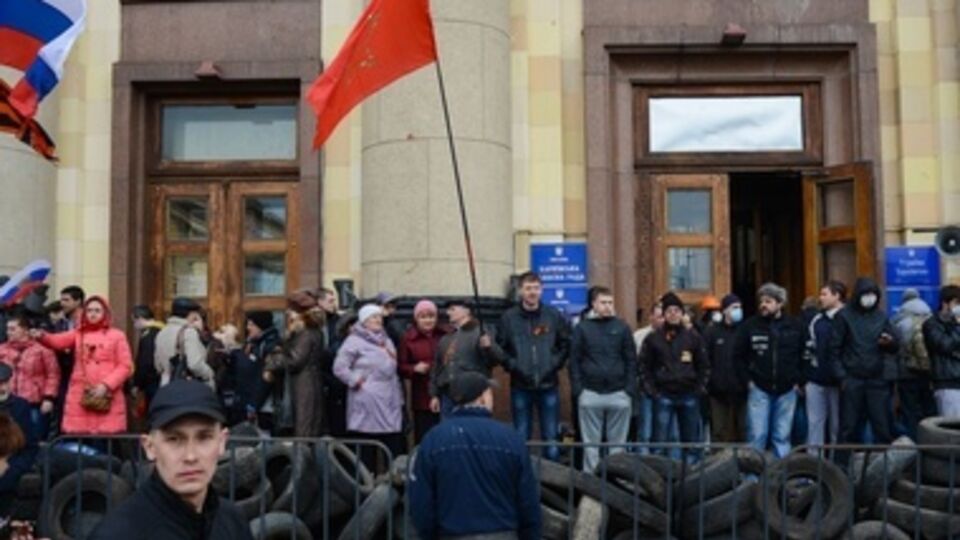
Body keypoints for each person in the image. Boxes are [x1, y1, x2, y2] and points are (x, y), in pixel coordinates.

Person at [89, 379, 253, 540]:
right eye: (174, 439)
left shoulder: (233, 521)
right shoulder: (116, 534)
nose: (190, 456)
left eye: (204, 438)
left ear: (222, 442)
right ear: (150, 447)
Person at [409, 371, 541, 540]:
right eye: (490, 393)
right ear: (482, 398)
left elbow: (421, 504)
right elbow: (528, 501)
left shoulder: (433, 440)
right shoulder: (511, 439)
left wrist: (429, 534)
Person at [497, 272, 571, 461]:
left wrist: (554, 364)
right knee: (521, 436)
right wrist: (513, 365)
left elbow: (566, 343)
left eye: (536, 288)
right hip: (520, 385)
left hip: (549, 385)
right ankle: (521, 479)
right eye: (528, 288)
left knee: (551, 437)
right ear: (521, 291)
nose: (532, 292)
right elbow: (500, 347)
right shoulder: (508, 318)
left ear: (542, 290)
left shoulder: (553, 315)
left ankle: (554, 485)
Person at [36, 296, 133, 436]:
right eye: (89, 310)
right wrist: (42, 336)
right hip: (81, 393)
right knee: (82, 441)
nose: (93, 314)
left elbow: (125, 366)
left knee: (106, 441)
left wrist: (106, 385)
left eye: (97, 310)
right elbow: (58, 341)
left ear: (105, 313)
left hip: (107, 394)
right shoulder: (78, 333)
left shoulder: (117, 335)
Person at [830, 277, 899, 465]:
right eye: (866, 295)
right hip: (852, 379)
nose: (870, 299)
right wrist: (842, 377)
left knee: (882, 426)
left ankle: (884, 470)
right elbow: (833, 349)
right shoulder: (844, 316)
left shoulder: (881, 316)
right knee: (848, 428)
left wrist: (890, 342)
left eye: (873, 295)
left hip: (877, 379)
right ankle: (841, 470)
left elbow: (895, 344)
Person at [734, 283, 805, 459]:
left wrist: (798, 381)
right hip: (759, 387)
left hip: (787, 389)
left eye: (769, 301)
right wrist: (748, 382)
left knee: (782, 437)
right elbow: (738, 356)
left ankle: (780, 478)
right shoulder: (750, 326)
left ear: (780, 304)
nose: (763, 305)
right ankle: (752, 479)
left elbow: (806, 355)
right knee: (757, 436)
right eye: (762, 301)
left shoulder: (796, 326)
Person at [569, 287, 636, 472]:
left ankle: (616, 482)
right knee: (590, 446)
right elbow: (574, 360)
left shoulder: (622, 328)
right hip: (590, 391)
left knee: (618, 445)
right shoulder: (582, 328)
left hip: (619, 392)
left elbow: (631, 359)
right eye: (603, 303)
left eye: (610, 303)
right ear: (594, 304)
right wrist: (578, 390)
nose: (607, 307)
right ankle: (591, 486)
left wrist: (629, 389)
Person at [334, 304, 405, 470]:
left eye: (380, 317)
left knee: (391, 441)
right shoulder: (353, 341)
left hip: (389, 397)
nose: (378, 320)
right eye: (373, 317)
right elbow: (339, 367)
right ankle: (368, 484)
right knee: (367, 445)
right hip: (366, 399)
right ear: (364, 320)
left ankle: (392, 483)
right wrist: (356, 381)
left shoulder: (386, 340)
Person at [639, 292, 708, 462]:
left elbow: (703, 365)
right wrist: (652, 391)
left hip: (689, 394)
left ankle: (690, 480)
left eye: (677, 310)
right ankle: (660, 480)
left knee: (690, 443)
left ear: (682, 313)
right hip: (663, 395)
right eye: (669, 311)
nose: (673, 314)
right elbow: (644, 367)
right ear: (664, 314)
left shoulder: (693, 337)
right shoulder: (653, 339)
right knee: (659, 444)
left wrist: (699, 388)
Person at [264, 290, 326, 437]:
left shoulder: (305, 333)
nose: (287, 313)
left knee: (303, 430)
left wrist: (272, 362)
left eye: (291, 309)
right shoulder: (311, 331)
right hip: (306, 383)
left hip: (304, 385)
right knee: (306, 428)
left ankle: (301, 459)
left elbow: (295, 360)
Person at [431, 299, 504, 418]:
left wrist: (489, 347)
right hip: (447, 396)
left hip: (473, 396)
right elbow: (437, 368)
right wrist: (434, 394)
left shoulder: (480, 332)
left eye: (452, 309)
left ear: (466, 311)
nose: (448, 313)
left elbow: (497, 359)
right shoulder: (446, 338)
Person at [0, 317, 59, 439]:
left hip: (34, 402)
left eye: (13, 329)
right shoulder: (2, 349)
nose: (8, 332)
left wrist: (49, 398)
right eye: (7, 329)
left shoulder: (42, 350)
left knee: (33, 437)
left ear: (25, 330)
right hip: (8, 401)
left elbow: (53, 375)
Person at [398, 299, 448, 443]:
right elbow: (400, 366)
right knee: (425, 436)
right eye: (423, 317)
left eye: (431, 316)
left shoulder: (445, 335)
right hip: (422, 395)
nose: (428, 320)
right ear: (416, 319)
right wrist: (414, 368)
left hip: (446, 394)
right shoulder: (408, 339)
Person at [804, 281, 846, 450]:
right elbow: (810, 347)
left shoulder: (847, 317)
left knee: (838, 426)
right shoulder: (817, 320)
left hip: (839, 381)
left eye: (824, 294)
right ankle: (813, 467)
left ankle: (837, 468)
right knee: (815, 426)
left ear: (837, 295)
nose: (820, 298)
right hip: (816, 378)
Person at [892, 288, 935, 440]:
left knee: (909, 411)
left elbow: (896, 348)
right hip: (929, 373)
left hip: (907, 373)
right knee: (929, 410)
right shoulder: (931, 318)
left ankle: (913, 445)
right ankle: (931, 445)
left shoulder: (899, 321)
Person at [704, 294, 747, 443]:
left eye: (740, 307)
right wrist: (710, 382)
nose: (739, 311)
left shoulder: (745, 331)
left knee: (744, 430)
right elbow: (705, 359)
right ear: (725, 311)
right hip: (718, 391)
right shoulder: (712, 332)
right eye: (735, 308)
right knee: (719, 431)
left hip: (742, 390)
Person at [0, 364, 37, 517]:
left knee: (7, 479)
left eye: (4, 383)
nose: (1, 387)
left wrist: (7, 462)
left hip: (15, 457)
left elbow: (28, 444)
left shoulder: (21, 406)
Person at [155, 297, 214, 389]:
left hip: (166, 386)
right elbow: (195, 364)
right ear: (190, 314)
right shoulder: (189, 332)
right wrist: (209, 373)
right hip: (188, 387)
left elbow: (158, 365)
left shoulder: (162, 332)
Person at [238, 311, 279, 430]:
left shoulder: (270, 345)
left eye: (251, 324)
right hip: (253, 399)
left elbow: (266, 377)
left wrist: (254, 404)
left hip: (265, 403)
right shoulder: (253, 344)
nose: (247, 328)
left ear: (260, 326)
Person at [923, 284, 960, 417]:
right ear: (945, 303)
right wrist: (957, 326)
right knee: (952, 429)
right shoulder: (931, 324)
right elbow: (945, 345)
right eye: (956, 303)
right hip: (947, 383)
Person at [633, 302, 664, 451]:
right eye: (659, 317)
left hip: (666, 390)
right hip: (645, 390)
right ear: (651, 317)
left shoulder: (672, 335)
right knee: (645, 431)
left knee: (662, 432)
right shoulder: (639, 336)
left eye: (664, 317)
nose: (662, 320)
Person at [318, 288, 348, 436]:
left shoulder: (338, 322)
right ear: (319, 302)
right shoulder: (314, 323)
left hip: (334, 378)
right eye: (330, 301)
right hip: (319, 377)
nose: (333, 304)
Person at [131, 305, 163, 406]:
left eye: (134, 321)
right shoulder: (161, 330)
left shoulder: (148, 335)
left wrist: (137, 384)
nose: (134, 326)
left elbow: (145, 362)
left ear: (140, 318)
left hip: (152, 382)